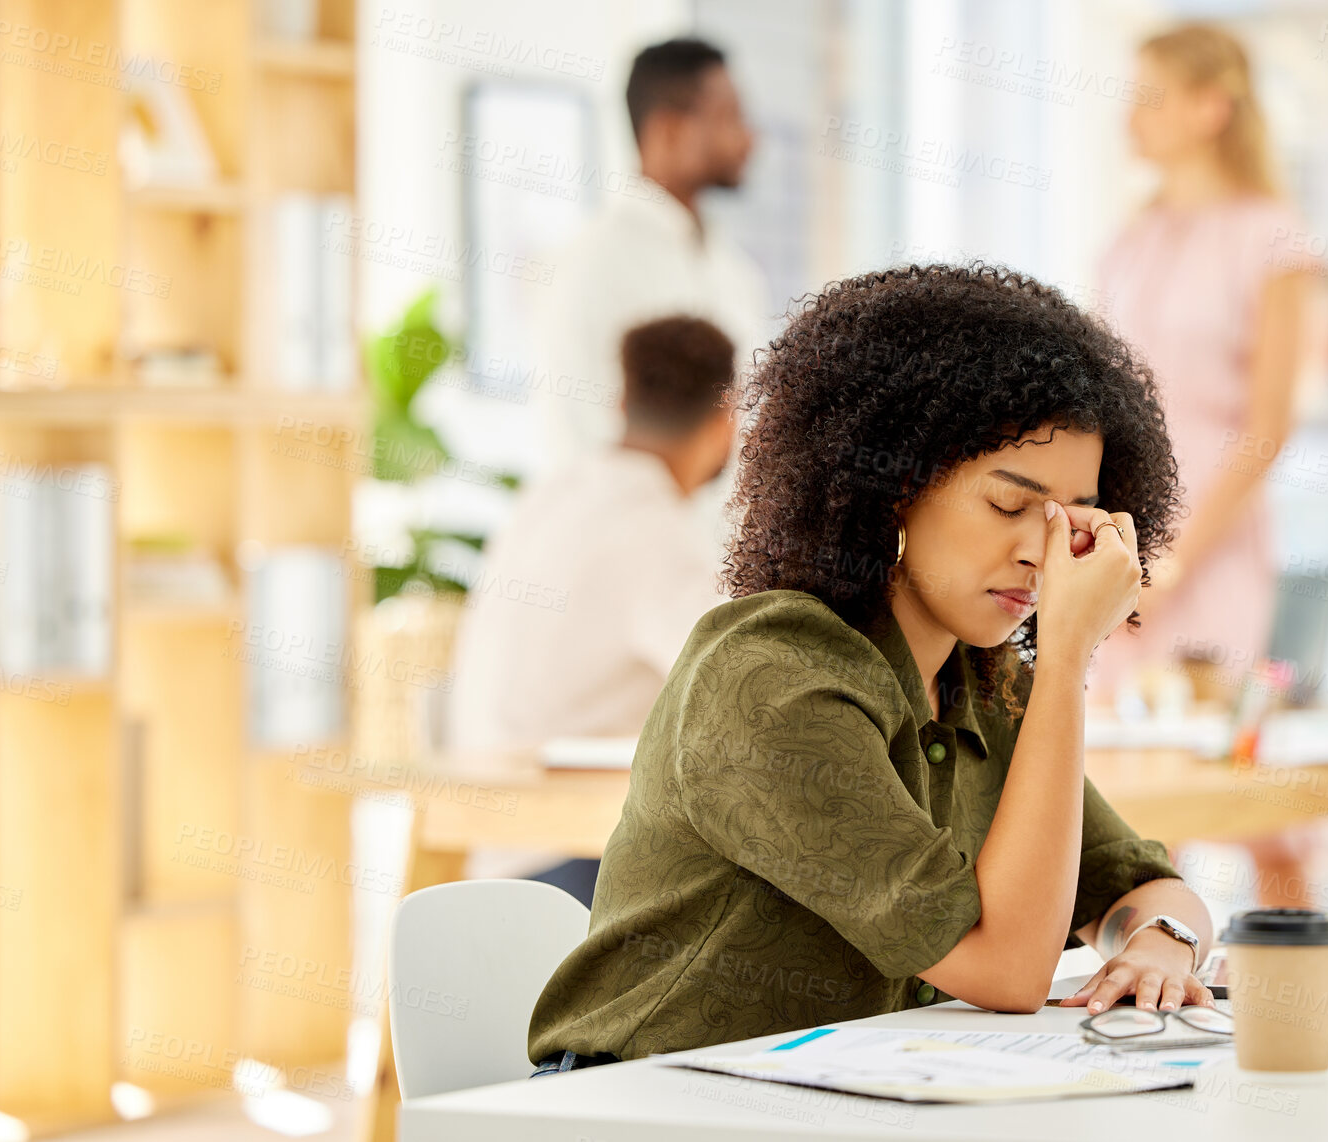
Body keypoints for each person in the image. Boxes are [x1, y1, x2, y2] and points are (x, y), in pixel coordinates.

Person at [525, 264, 1214, 1074]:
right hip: (638, 1108)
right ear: (890, 488)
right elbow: (1005, 968)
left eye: (1071, 519)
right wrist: (1065, 659)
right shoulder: (773, 677)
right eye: (1006, 504)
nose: (1041, 552)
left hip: (839, 1098)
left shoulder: (979, 681)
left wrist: (1162, 946)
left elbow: (1138, 884)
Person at [1087, 23, 1326, 908]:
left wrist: (1178, 556)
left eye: (1151, 95)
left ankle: (1306, 993)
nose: (1131, 115)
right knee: (1132, 800)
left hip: (1213, 552)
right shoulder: (1131, 238)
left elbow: (1269, 428)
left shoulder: (1272, 240)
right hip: (1123, 538)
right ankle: (1151, 994)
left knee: (1233, 782)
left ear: (1210, 108)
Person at [446, 317, 738, 902]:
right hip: (568, 864)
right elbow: (736, 682)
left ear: (622, 399)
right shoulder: (656, 531)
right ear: (727, 420)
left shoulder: (548, 497)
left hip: (484, 851)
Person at [536, 37, 769, 476]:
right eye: (729, 116)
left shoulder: (733, 269)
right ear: (669, 129)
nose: (749, 137)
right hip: (634, 536)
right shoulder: (594, 263)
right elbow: (583, 438)